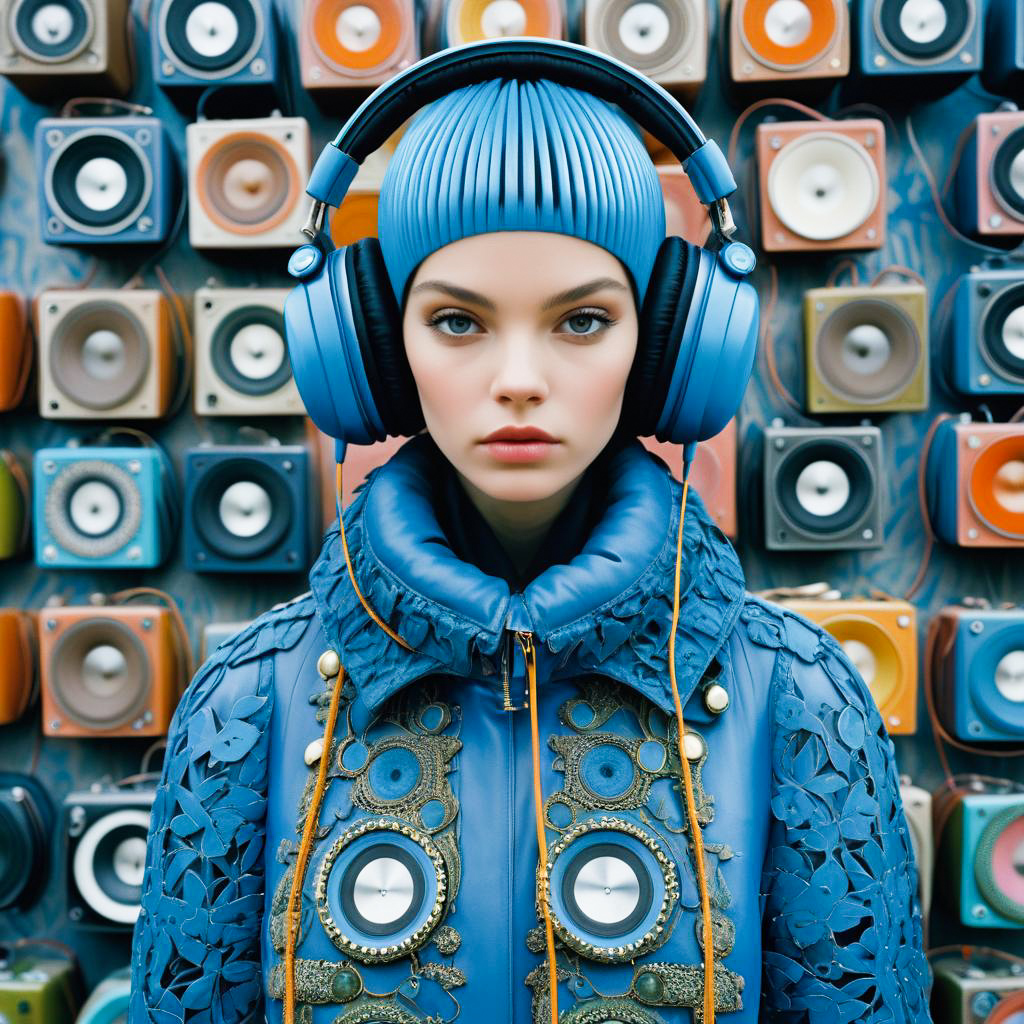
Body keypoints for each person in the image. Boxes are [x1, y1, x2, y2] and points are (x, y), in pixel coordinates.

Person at [129, 40, 932, 1024]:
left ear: (666, 344)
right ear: (375, 348)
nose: (519, 376)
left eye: (582, 321)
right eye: (459, 322)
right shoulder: (249, 700)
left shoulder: (798, 694)